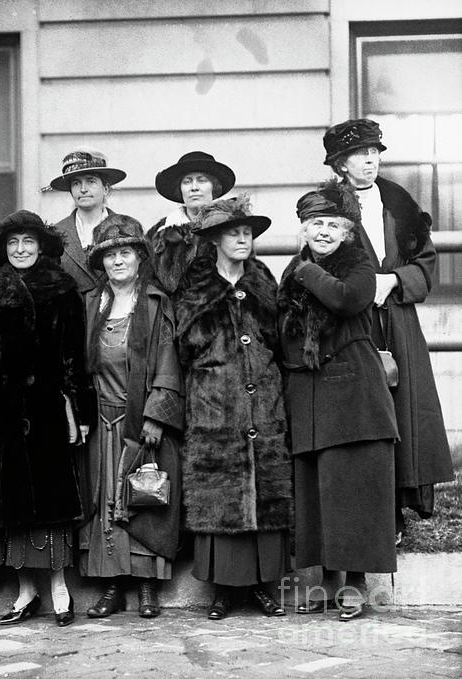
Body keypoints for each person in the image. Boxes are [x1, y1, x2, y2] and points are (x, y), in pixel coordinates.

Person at [322, 119, 453, 542]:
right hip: (352, 323)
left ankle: (398, 505)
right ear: (341, 164)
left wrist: (394, 281)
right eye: (360, 154)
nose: (370, 161)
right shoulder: (326, 205)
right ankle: (367, 506)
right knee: (363, 413)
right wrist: (359, 287)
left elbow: (425, 259)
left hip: (396, 318)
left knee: (403, 408)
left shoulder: (398, 201)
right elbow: (320, 260)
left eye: (375, 153)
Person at [278, 182, 399, 621]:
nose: (324, 231)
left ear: (348, 232)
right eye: (315, 224)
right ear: (304, 229)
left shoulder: (358, 264)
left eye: (333, 224)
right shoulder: (296, 267)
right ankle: (328, 582)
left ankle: (356, 583)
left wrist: (307, 271)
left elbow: (347, 300)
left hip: (353, 392)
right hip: (308, 393)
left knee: (354, 489)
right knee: (317, 491)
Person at [0, 210, 94, 627]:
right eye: (13, 243)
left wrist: (79, 409)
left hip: (47, 409)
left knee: (53, 501)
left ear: (41, 247)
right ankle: (25, 592)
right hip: (6, 413)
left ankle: (60, 589)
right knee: (12, 503)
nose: (21, 250)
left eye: (28, 242)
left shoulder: (62, 290)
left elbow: (76, 357)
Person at [175, 196, 292, 621]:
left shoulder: (262, 280)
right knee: (219, 494)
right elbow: (184, 347)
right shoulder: (196, 287)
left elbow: (279, 342)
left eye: (248, 232)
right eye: (234, 232)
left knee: (266, 492)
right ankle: (224, 591)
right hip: (214, 405)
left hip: (264, 403)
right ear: (215, 240)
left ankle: (263, 588)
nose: (243, 238)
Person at [78, 214, 184, 619]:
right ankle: (111, 587)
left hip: (141, 421)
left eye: (126, 253)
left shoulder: (156, 303)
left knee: (143, 501)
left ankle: (146, 588)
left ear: (140, 258)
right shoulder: (91, 304)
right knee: (104, 503)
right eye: (110, 255)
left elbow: (168, 362)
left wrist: (156, 415)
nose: (118, 261)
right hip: (100, 422)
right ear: (100, 263)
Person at [147, 151, 236, 295]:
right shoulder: (159, 232)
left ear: (214, 187)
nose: (194, 187)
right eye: (187, 181)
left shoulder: (231, 226)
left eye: (202, 180)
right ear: (180, 189)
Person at [48, 148, 127, 297]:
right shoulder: (54, 234)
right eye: (76, 183)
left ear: (105, 188)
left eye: (91, 181)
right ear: (71, 191)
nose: (83, 189)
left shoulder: (127, 229)